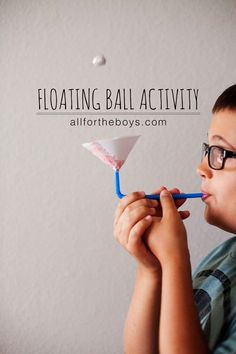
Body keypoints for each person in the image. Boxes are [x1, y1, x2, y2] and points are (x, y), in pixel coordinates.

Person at [113, 84, 236, 354]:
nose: (201, 168)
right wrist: (153, 267)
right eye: (208, 148)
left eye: (220, 153)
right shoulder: (225, 256)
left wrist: (175, 260)